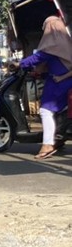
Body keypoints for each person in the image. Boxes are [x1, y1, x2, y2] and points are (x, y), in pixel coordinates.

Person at [19, 15, 72, 160]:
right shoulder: (66, 43)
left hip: (59, 83)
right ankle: (58, 138)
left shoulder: (52, 46)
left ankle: (48, 144)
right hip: (63, 81)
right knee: (59, 110)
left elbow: (36, 58)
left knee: (45, 110)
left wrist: (19, 63)